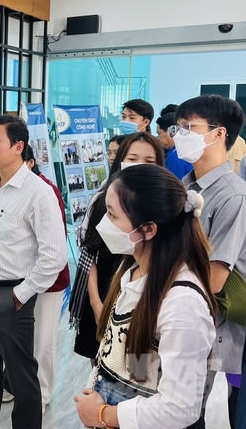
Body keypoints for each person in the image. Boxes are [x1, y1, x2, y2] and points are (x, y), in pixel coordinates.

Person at [74, 164, 217, 429]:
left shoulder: (182, 304)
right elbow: (137, 358)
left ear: (148, 229)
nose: (103, 223)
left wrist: (105, 414)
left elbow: (180, 407)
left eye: (112, 215)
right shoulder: (132, 268)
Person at [0, 115, 67, 429]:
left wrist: (20, 296)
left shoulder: (39, 192)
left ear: (18, 146)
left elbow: (55, 257)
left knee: (22, 379)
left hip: (11, 294)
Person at [173, 95, 246, 426]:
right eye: (179, 127)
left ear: (219, 134)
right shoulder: (185, 186)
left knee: (193, 417)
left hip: (207, 339)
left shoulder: (233, 196)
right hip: (172, 325)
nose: (180, 134)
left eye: (190, 127)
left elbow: (214, 280)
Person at [69, 132, 165, 363]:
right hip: (104, 288)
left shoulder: (165, 206)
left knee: (137, 367)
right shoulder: (103, 200)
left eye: (148, 161)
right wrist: (95, 303)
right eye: (132, 158)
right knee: (101, 361)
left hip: (147, 297)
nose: (139, 165)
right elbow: (89, 251)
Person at [24, 145, 70, 412]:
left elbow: (54, 247)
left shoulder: (45, 189)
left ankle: (42, 392)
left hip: (48, 279)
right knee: (17, 339)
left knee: (43, 339)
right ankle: (13, 384)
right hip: (17, 279)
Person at [156, 105, 193, 180]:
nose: (158, 138)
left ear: (172, 131)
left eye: (159, 134)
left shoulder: (175, 159)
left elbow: (172, 188)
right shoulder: (186, 151)